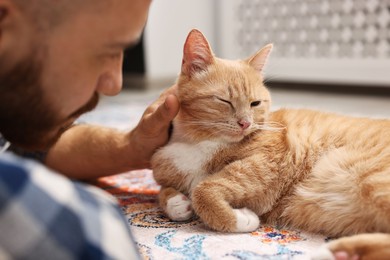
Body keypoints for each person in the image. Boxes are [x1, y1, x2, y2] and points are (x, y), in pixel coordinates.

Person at [0, 0, 179, 259]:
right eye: (108, 51)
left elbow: (28, 145)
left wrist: (134, 147)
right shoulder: (89, 234)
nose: (113, 85)